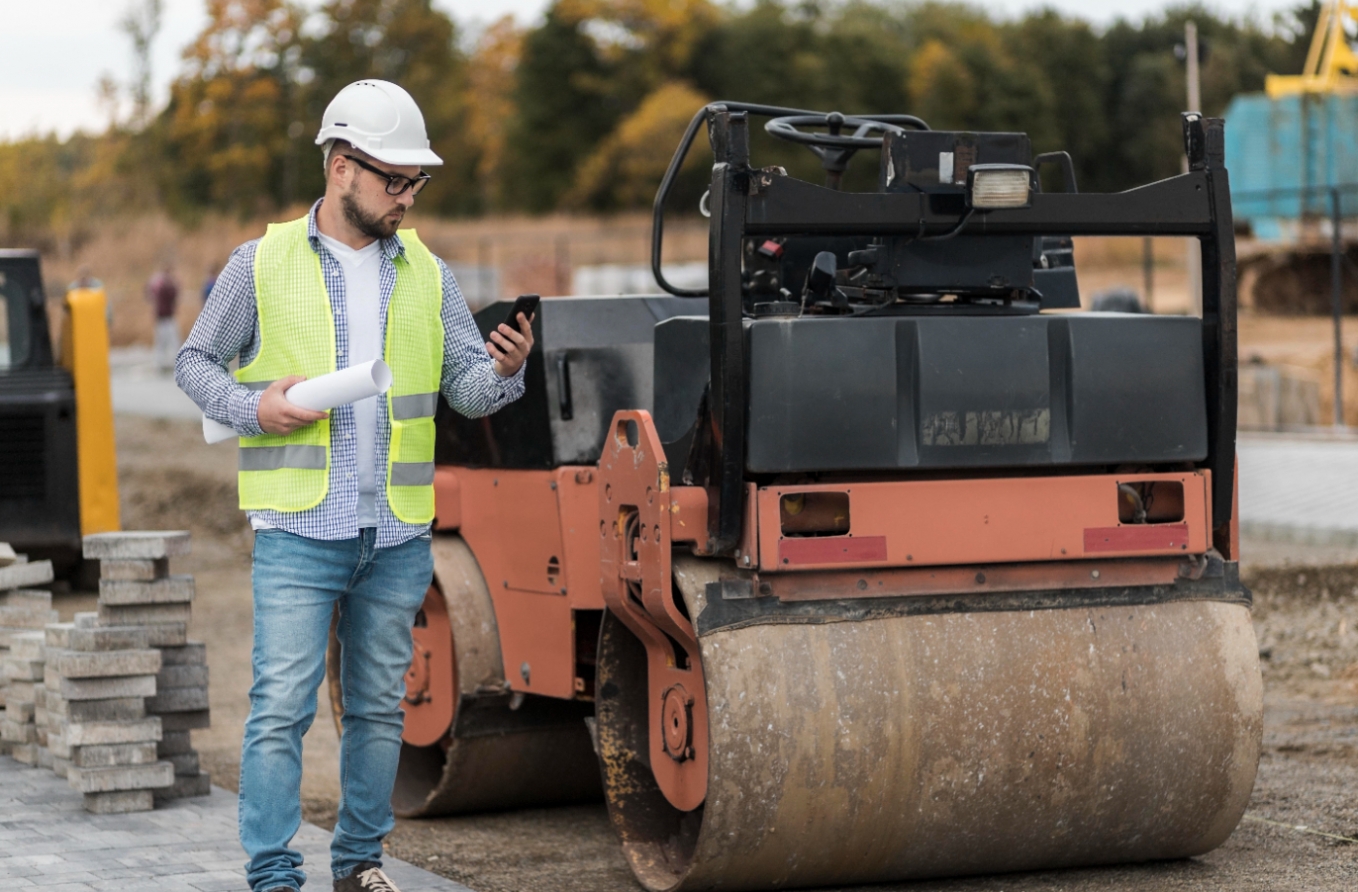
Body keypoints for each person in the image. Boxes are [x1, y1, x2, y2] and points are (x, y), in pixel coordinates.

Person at [175, 80, 534, 892]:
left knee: (378, 711)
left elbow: (464, 391)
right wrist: (252, 406)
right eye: (394, 180)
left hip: (398, 532)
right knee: (280, 712)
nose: (408, 197)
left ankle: (360, 866)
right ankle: (272, 876)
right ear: (341, 167)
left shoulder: (429, 274)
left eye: (417, 183)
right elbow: (193, 363)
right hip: (300, 527)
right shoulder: (258, 262)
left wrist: (504, 371)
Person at [147, 263, 180, 370]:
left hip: (167, 317)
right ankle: (160, 363)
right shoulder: (162, 285)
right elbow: (172, 294)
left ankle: (167, 362)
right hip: (163, 317)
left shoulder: (158, 284)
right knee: (164, 342)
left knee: (170, 341)